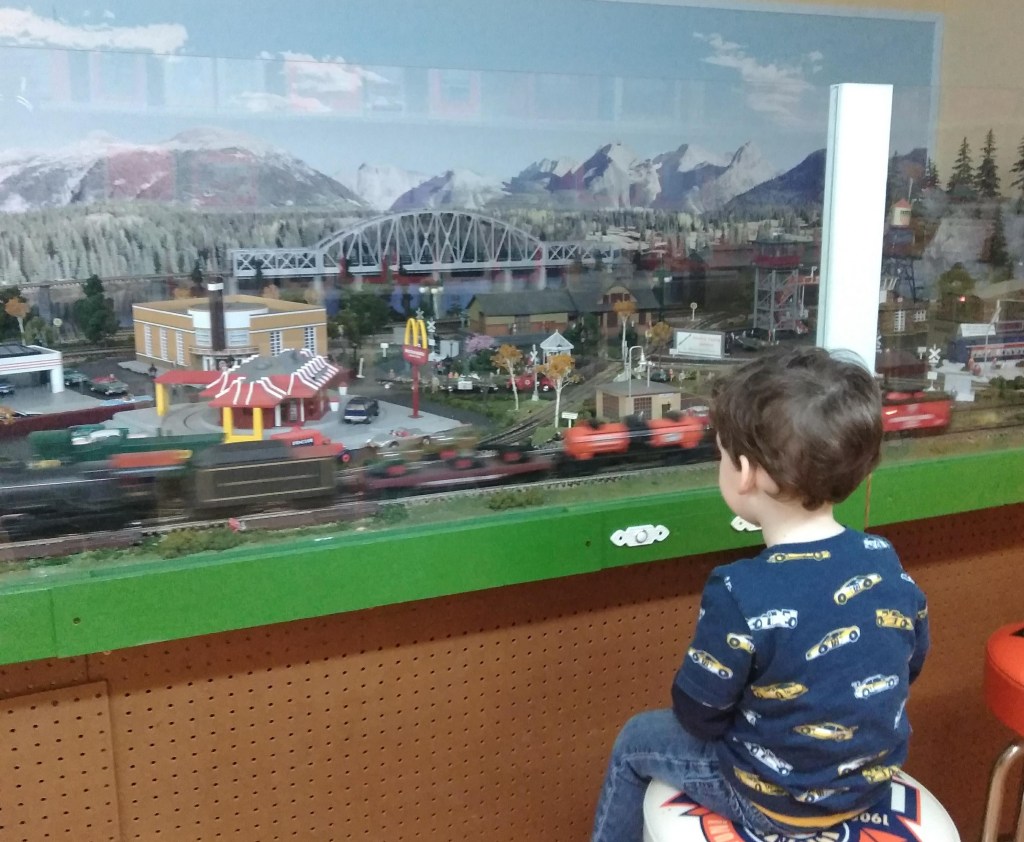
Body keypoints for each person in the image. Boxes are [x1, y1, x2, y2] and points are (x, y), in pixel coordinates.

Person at [591, 346, 930, 841]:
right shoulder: (883, 556)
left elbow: (699, 714)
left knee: (635, 740)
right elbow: (910, 661)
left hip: (771, 802)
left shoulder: (739, 589)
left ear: (744, 472)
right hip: (866, 786)